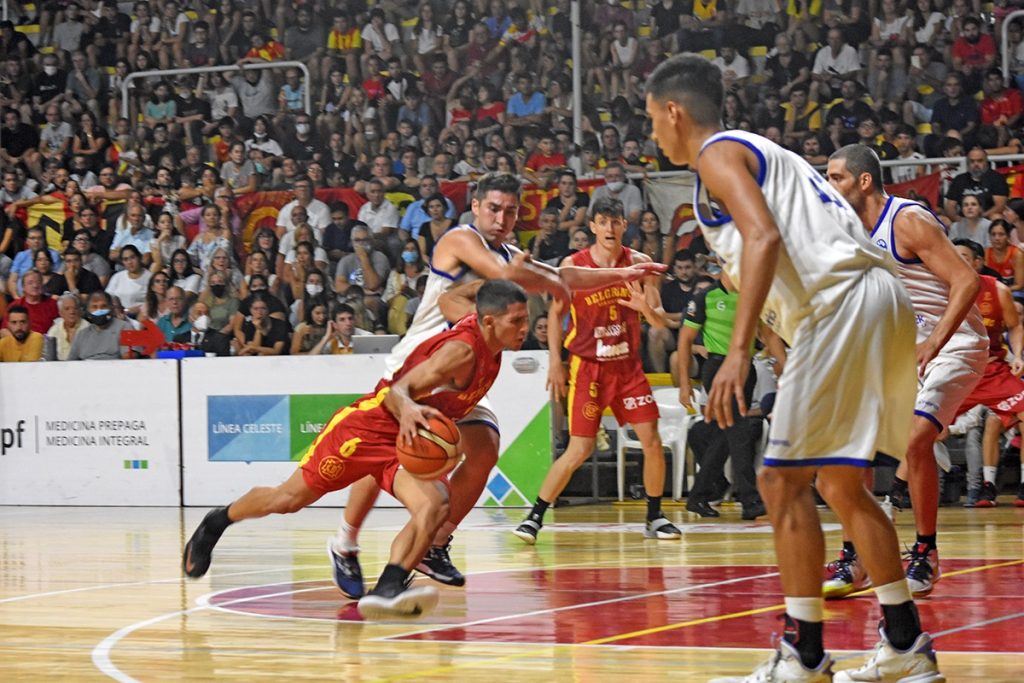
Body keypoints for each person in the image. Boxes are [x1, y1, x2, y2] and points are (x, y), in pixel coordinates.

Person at [646, 54, 942, 682]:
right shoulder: (761, 150)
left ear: (674, 111)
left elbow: (764, 239)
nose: (653, 135)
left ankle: (803, 655)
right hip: (878, 299)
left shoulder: (716, 155)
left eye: (652, 120)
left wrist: (735, 353)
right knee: (840, 483)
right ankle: (906, 645)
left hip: (840, 306)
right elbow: (768, 248)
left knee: (781, 483)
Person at [327, 172, 664, 596]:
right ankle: (345, 540)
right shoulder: (459, 240)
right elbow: (506, 274)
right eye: (493, 208)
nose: (502, 217)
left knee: (484, 449)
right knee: (379, 459)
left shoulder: (509, 254)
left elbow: (565, 278)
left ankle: (436, 542)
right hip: (418, 368)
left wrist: (622, 274)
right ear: (475, 207)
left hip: (464, 372)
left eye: (510, 210)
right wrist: (536, 276)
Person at [182, 280, 531, 619]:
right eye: (516, 321)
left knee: (435, 502)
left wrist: (499, 281)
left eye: (526, 318)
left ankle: (389, 586)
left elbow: (451, 295)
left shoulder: (487, 335)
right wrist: (409, 408)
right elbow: (399, 391)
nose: (525, 327)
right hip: (368, 430)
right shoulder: (462, 352)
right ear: (488, 320)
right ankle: (217, 521)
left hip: (407, 443)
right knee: (288, 499)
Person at [826, 146, 986, 602]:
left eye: (837, 177)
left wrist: (933, 342)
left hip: (954, 342)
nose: (829, 186)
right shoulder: (845, 230)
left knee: (916, 438)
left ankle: (925, 552)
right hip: (900, 348)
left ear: (863, 182)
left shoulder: (907, 220)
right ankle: (858, 555)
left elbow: (967, 281)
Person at [513, 197, 681, 544]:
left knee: (651, 440)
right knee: (579, 448)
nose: (609, 228)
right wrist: (555, 362)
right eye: (602, 221)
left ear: (623, 226)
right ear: (591, 227)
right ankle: (534, 517)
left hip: (627, 367)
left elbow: (660, 321)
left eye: (615, 221)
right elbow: (555, 316)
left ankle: (655, 516)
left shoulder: (640, 263)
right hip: (588, 366)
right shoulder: (574, 265)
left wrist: (644, 309)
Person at [676, 271, 770, 520]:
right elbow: (684, 340)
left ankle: (698, 496)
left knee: (724, 434)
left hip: (745, 367)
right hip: (718, 367)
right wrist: (684, 384)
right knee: (739, 433)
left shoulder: (752, 295)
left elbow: (765, 332)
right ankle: (750, 500)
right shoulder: (706, 296)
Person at [950, 238, 1024, 507]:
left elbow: (1015, 327)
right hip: (956, 370)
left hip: (994, 370)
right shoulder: (939, 288)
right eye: (953, 255)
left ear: (978, 262)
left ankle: (996, 486)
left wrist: (1017, 355)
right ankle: (897, 494)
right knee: (925, 432)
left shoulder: (998, 290)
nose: (957, 260)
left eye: (964, 256)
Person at [67, 290, 132, 360]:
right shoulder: (82, 334)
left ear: (111, 308)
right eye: (94, 307)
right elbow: (71, 362)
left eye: (103, 306)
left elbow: (129, 357)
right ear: (88, 311)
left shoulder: (124, 327)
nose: (99, 310)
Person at [46, 293, 88, 361]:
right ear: (60, 313)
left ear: (80, 310)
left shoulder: (87, 328)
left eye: (75, 308)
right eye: (67, 309)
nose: (72, 312)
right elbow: (50, 358)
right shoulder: (54, 331)